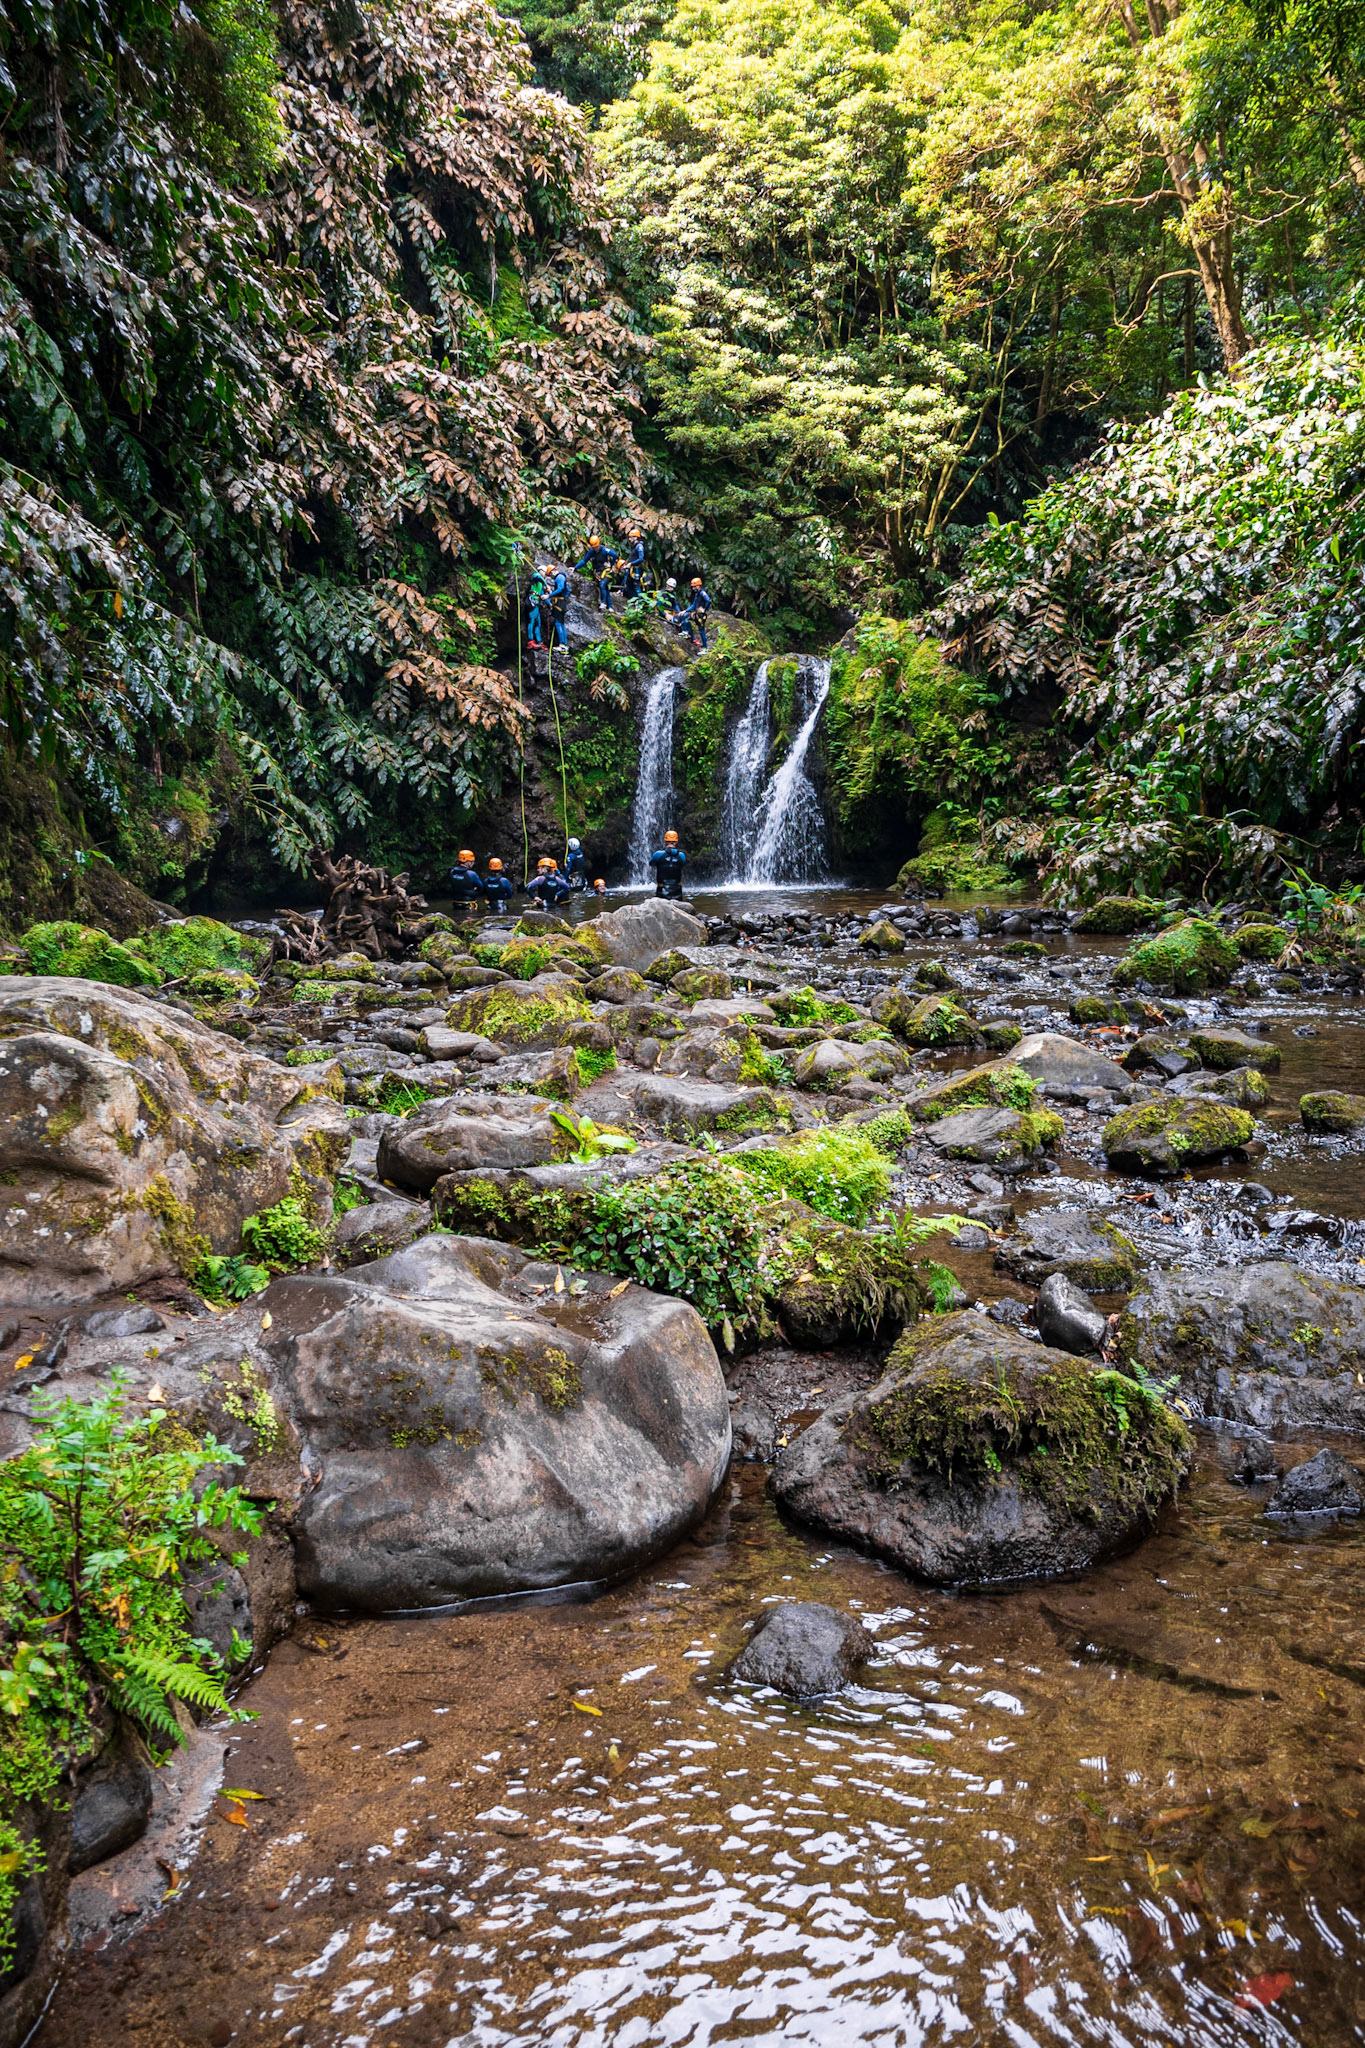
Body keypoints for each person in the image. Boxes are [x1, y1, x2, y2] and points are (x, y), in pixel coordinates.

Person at [573, 535, 619, 612]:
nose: (595, 548)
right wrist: (575, 567)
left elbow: (614, 555)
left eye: (596, 547)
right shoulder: (591, 552)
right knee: (605, 588)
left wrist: (611, 564)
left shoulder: (604, 550)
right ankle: (610, 606)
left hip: (607, 571)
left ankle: (603, 603)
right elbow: (584, 561)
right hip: (598, 573)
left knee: (602, 584)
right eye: (593, 547)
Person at [650, 828, 687, 899]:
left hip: (662, 891)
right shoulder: (682, 855)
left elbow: (651, 863)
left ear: (665, 841)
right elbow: (683, 864)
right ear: (676, 842)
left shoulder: (658, 854)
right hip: (677, 892)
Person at [678, 575, 712, 650]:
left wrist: (704, 609)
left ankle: (705, 648)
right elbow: (693, 605)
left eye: (694, 586)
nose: (693, 588)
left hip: (701, 614)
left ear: (698, 586)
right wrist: (685, 610)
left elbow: (708, 601)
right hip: (696, 613)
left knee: (701, 630)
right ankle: (685, 632)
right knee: (685, 615)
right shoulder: (697, 594)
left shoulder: (702, 593)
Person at [547, 566, 570, 650]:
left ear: (554, 571)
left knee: (558, 623)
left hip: (559, 604)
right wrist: (564, 598)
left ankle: (562, 644)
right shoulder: (563, 577)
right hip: (562, 603)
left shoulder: (559, 577)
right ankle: (564, 645)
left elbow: (560, 589)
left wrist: (549, 595)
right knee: (561, 623)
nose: (551, 576)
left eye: (550, 574)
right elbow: (567, 591)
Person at [526, 567, 549, 649]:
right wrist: (546, 584)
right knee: (531, 620)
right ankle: (530, 640)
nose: (545, 574)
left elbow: (543, 595)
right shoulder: (536, 576)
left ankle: (539, 641)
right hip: (532, 600)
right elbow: (537, 576)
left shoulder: (541, 584)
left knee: (537, 622)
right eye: (545, 572)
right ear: (541, 571)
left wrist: (550, 604)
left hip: (537, 601)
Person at [621, 529, 646, 601]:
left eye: (631, 537)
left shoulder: (639, 546)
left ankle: (640, 604)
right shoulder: (635, 547)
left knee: (636, 586)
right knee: (628, 586)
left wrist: (631, 563)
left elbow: (641, 558)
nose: (629, 539)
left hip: (636, 569)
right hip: (632, 569)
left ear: (635, 537)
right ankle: (635, 600)